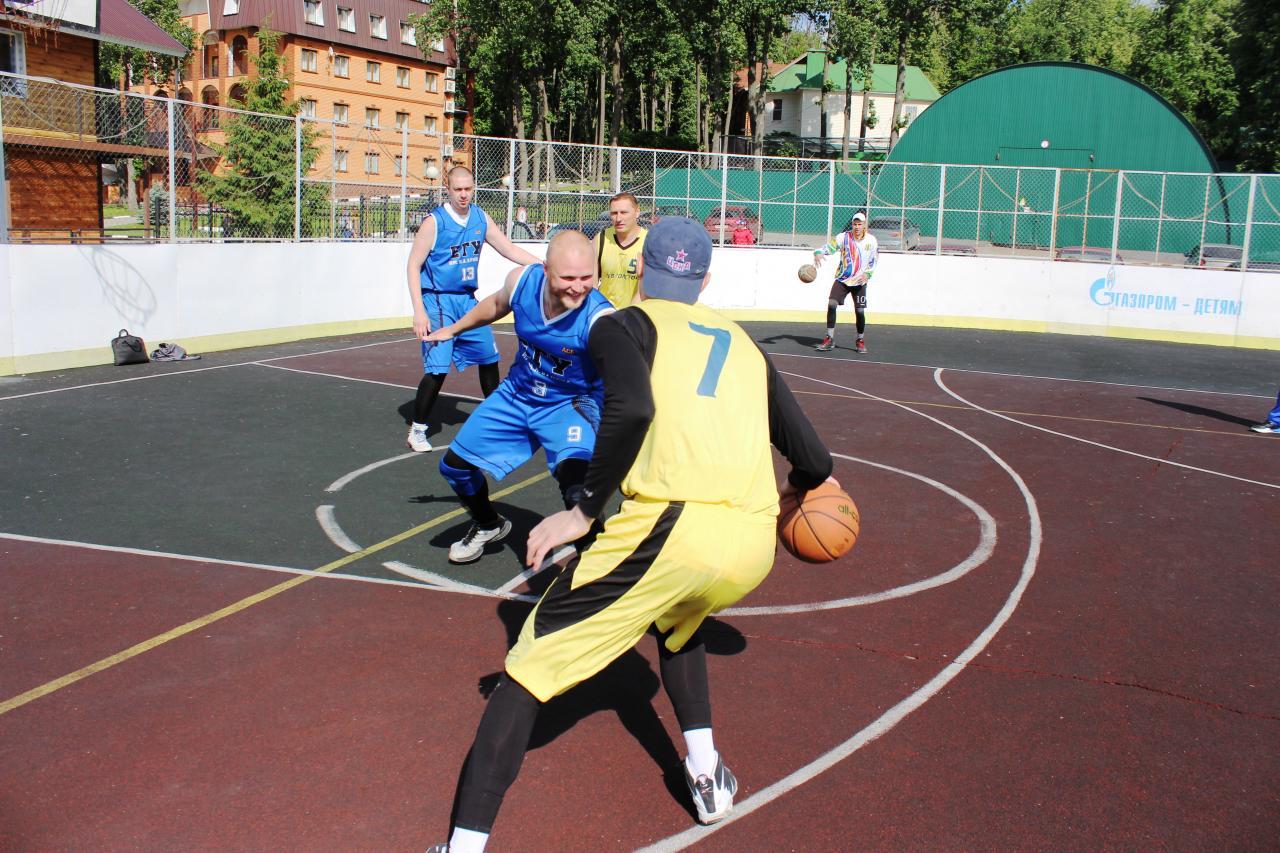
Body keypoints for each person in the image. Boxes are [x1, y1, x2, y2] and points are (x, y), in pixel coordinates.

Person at [426, 217, 834, 853]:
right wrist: (797, 495)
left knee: (527, 670)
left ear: (639, 269)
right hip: (751, 541)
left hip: (670, 529)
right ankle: (707, 772)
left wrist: (583, 512)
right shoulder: (747, 347)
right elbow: (814, 460)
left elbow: (634, 407)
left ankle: (463, 848)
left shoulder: (626, 324)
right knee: (679, 623)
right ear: (705, 280)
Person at [423, 230, 614, 564]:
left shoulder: (600, 320)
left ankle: (599, 568)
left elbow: (630, 379)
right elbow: (496, 305)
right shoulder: (522, 281)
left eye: (587, 278)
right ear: (546, 270)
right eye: (568, 278)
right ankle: (488, 524)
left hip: (570, 404)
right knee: (454, 467)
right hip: (517, 393)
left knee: (576, 487)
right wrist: (454, 329)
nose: (578, 287)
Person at [405, 166, 543, 453]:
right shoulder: (434, 222)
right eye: (458, 189)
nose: (463, 194)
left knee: (489, 358)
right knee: (438, 368)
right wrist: (419, 310)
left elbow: (508, 249)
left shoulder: (480, 217)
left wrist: (544, 265)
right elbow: (413, 265)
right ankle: (418, 429)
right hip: (438, 301)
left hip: (467, 300)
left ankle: (499, 424)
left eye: (468, 189)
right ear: (447, 188)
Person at [812, 211, 878, 354]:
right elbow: (829, 247)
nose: (857, 227)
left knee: (860, 311)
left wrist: (867, 274)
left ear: (864, 225)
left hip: (859, 282)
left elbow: (874, 260)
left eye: (859, 224)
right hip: (842, 279)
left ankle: (860, 340)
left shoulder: (871, 240)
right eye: (854, 224)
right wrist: (818, 252)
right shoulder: (843, 237)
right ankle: (829, 338)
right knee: (832, 304)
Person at [593, 191, 647, 307]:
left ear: (637, 212)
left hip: (635, 314)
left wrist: (628, 314)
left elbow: (646, 290)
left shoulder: (648, 241)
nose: (618, 218)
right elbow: (592, 285)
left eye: (624, 212)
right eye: (614, 213)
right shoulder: (601, 239)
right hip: (606, 313)